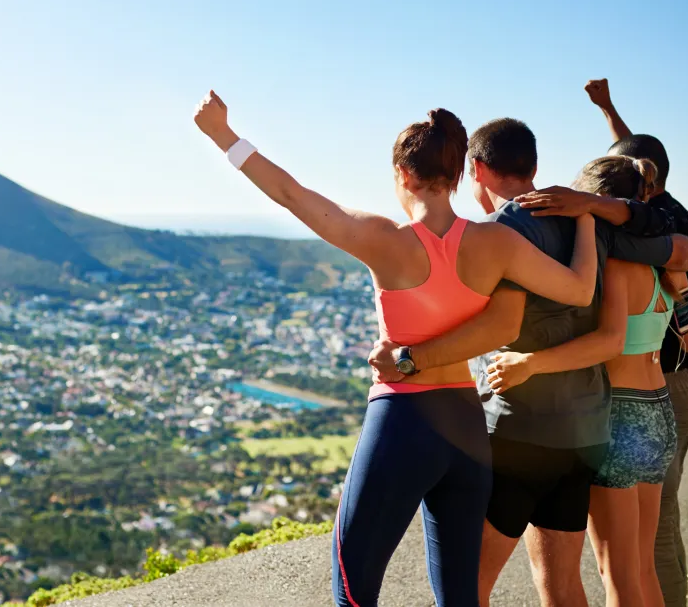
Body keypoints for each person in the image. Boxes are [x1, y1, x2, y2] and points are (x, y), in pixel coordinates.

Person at [192, 91, 599, 607]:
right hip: (468, 428)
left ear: (403, 176)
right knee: (461, 599)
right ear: (456, 177)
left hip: (403, 422)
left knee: (353, 588)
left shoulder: (384, 240)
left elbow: (291, 195)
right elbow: (581, 290)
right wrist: (586, 215)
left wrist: (223, 135)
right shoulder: (498, 244)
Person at [368, 118, 688, 607]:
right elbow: (680, 248)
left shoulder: (499, 234)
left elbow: (501, 326)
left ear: (475, 169)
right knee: (576, 583)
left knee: (467, 586)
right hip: (588, 430)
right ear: (536, 167)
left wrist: (411, 358)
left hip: (522, 432)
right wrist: (592, 209)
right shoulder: (590, 225)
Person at [513, 78, 688, 607]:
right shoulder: (667, 261)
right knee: (639, 565)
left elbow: (607, 338)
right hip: (658, 407)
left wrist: (530, 363)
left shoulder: (615, 265)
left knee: (614, 570)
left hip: (618, 414)